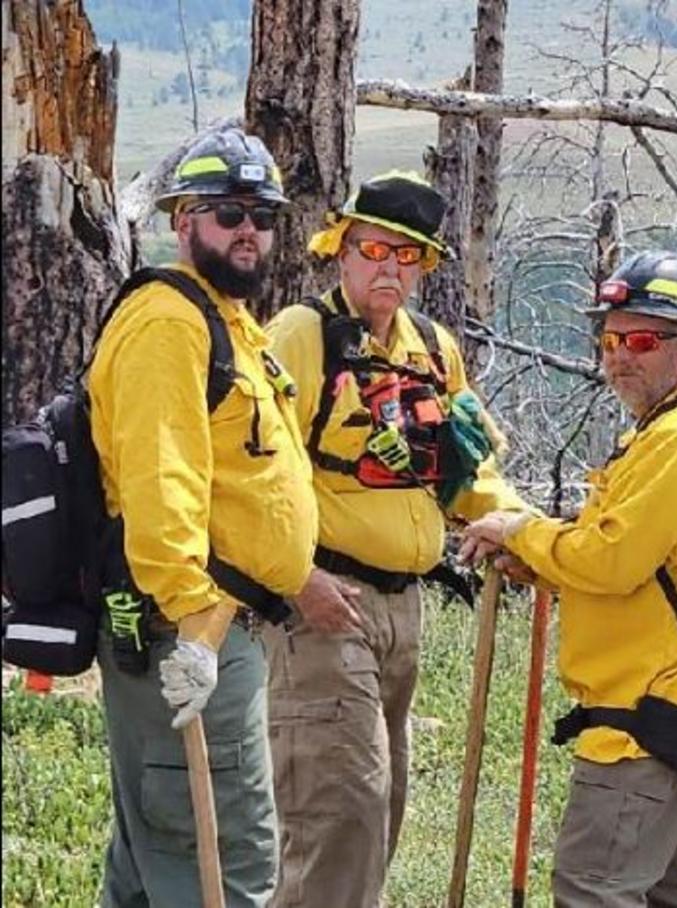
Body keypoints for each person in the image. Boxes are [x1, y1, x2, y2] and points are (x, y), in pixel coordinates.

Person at [461, 250, 677, 906]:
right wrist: (539, 562)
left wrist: (518, 530)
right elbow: (633, 563)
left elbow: (611, 560)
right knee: (667, 895)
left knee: (592, 891)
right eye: (610, 339)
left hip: (646, 720)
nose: (621, 355)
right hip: (672, 713)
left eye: (643, 339)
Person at [263, 169, 528, 908]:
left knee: (382, 808)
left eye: (406, 257)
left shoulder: (434, 352)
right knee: (338, 813)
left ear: (424, 268)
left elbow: (465, 477)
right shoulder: (301, 335)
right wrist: (293, 580)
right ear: (340, 250)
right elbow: (255, 470)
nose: (388, 268)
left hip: (403, 610)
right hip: (322, 600)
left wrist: (518, 527)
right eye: (374, 248)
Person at [88, 128, 320, 906]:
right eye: (225, 212)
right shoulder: (169, 323)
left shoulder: (228, 322)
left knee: (154, 862)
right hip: (189, 635)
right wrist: (193, 625)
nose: (247, 228)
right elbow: (162, 484)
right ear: (182, 221)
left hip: (222, 629)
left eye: (261, 213)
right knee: (221, 861)